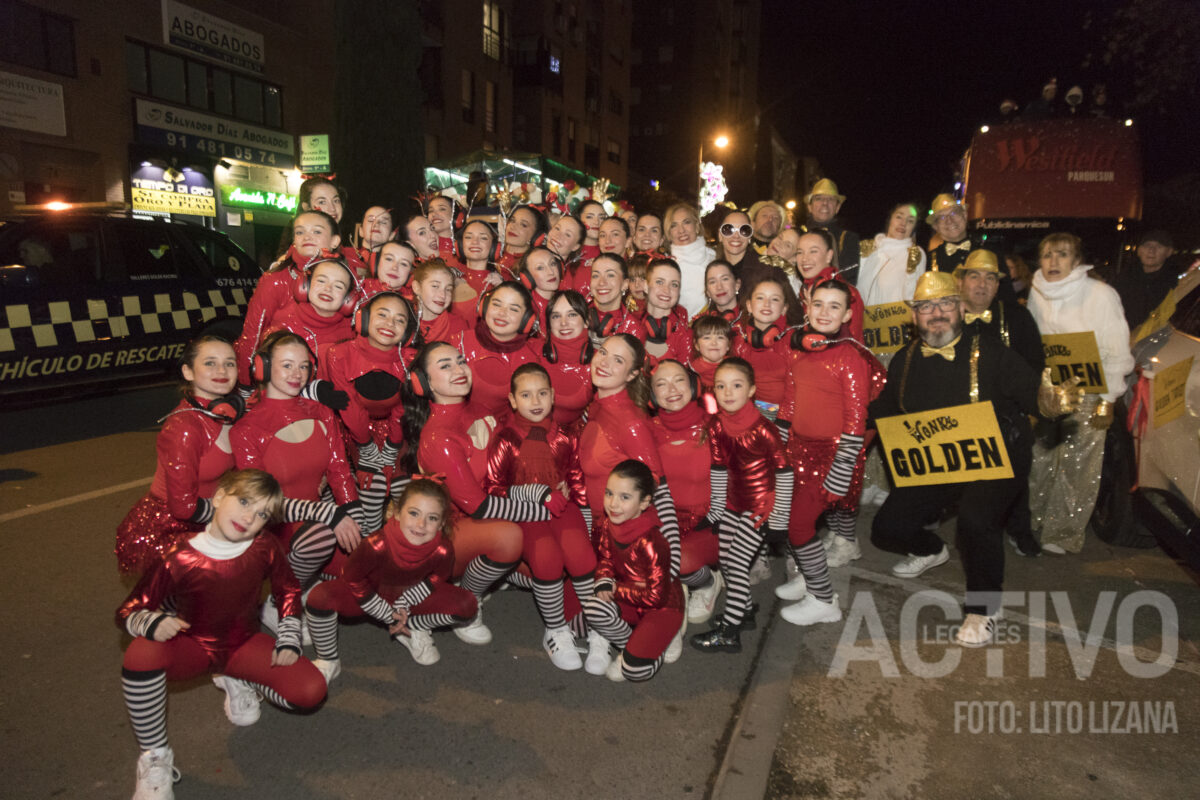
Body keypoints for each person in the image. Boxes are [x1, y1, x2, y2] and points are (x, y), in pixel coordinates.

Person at [868, 271, 1080, 645]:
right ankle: (932, 551)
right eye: (926, 306)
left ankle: (984, 607)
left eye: (945, 304)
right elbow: (885, 408)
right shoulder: (906, 359)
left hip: (997, 457)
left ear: (962, 309)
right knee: (887, 528)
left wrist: (1050, 403)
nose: (937, 313)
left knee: (976, 520)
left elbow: (1033, 393)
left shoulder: (992, 352)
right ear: (914, 316)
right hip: (938, 461)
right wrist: (841, 423)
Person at [118, 469, 325, 800]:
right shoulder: (180, 555)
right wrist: (149, 622)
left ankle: (239, 678)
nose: (249, 517)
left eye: (262, 514)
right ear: (217, 498)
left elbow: (288, 590)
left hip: (243, 644)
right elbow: (128, 610)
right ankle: (155, 756)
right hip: (193, 646)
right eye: (244, 502)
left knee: (311, 690)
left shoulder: (264, 546)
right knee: (141, 654)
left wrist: (288, 634)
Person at [408, 341, 541, 644]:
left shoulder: (479, 409)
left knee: (547, 572)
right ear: (424, 383)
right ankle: (467, 600)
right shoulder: (438, 437)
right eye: (445, 366)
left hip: (491, 516)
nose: (459, 369)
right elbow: (478, 507)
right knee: (510, 539)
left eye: (461, 361)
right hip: (447, 534)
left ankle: (492, 571)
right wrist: (538, 508)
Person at [233, 331, 363, 599]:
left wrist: (354, 518)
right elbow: (261, 502)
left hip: (318, 523)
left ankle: (307, 585)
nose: (297, 374)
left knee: (365, 571)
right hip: (274, 528)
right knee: (321, 539)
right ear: (263, 367)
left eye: (304, 366)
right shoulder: (246, 429)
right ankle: (281, 598)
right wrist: (329, 515)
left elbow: (339, 470)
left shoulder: (321, 412)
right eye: (287, 365)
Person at [1026, 233, 1134, 554]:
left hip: (1088, 391)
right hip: (1049, 390)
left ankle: (1062, 532)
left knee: (1077, 465)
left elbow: (1117, 349)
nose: (1053, 262)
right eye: (1047, 255)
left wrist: (1108, 400)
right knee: (1041, 457)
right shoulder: (1036, 291)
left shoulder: (1101, 295)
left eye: (1062, 254)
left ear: (1076, 261)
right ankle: (1035, 521)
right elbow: (1033, 343)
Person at [485, 364, 595, 671]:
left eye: (542, 393)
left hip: (563, 507)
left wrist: (586, 521)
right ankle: (555, 629)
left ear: (553, 396)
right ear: (512, 400)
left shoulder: (565, 435)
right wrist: (531, 494)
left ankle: (597, 623)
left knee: (582, 555)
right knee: (547, 558)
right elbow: (493, 489)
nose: (535, 401)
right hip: (525, 514)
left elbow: (576, 479)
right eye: (526, 395)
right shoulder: (506, 438)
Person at [304, 477, 478, 672]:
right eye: (414, 513)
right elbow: (353, 578)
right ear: (396, 513)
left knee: (467, 604)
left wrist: (406, 602)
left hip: (410, 598)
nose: (421, 524)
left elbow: (438, 577)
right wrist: (387, 614)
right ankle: (328, 660)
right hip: (368, 596)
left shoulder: (443, 549)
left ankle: (412, 625)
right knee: (320, 597)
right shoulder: (376, 545)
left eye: (432, 518)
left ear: (441, 524)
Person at [778, 280, 886, 592]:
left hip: (831, 455)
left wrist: (841, 469)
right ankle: (808, 575)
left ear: (847, 315)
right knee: (794, 519)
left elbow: (856, 418)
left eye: (834, 306)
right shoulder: (798, 351)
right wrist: (777, 446)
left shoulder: (850, 357)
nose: (824, 312)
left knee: (799, 524)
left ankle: (820, 594)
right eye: (818, 304)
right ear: (807, 308)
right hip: (798, 451)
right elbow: (790, 402)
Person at [115, 336, 241, 574]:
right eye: (210, 363)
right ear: (188, 372)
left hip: (209, 519)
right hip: (173, 528)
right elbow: (184, 507)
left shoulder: (227, 413)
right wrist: (236, 513)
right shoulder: (185, 426)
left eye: (230, 363)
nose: (222, 370)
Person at [690, 358, 792, 652]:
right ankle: (743, 612)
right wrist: (716, 511)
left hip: (760, 508)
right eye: (721, 386)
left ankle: (729, 633)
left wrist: (779, 519)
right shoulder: (717, 425)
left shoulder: (763, 429)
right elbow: (719, 468)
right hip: (733, 505)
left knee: (736, 565)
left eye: (736, 385)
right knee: (726, 562)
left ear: (751, 390)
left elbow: (785, 472)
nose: (728, 392)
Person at [957, 249, 1045, 556]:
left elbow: (1035, 364)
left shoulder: (1017, 317)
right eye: (974, 276)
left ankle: (1019, 529)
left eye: (990, 278)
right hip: (958, 413)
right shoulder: (945, 315)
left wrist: (1031, 409)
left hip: (1004, 415)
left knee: (1014, 476)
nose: (982, 284)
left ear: (997, 285)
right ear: (961, 281)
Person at [319, 292, 418, 532]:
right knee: (373, 482)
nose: (390, 324)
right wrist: (366, 447)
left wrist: (392, 447)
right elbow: (350, 407)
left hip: (396, 429)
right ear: (363, 319)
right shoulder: (338, 354)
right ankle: (369, 538)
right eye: (382, 315)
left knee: (403, 485)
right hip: (353, 430)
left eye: (400, 320)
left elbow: (402, 408)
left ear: (407, 331)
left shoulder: (410, 358)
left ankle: (400, 541)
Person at [581, 460, 686, 682]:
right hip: (630, 596)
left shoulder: (651, 541)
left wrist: (615, 589)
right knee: (594, 609)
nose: (613, 504)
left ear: (644, 502)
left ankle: (663, 638)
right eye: (609, 493)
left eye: (625, 497)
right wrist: (603, 579)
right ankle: (633, 645)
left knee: (634, 672)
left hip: (662, 607)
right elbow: (606, 558)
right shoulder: (609, 524)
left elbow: (656, 597)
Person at [650, 360, 723, 624]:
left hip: (710, 521)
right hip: (665, 519)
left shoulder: (715, 427)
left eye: (679, 380)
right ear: (652, 394)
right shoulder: (647, 430)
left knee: (680, 563)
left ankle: (708, 582)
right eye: (661, 384)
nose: (671, 389)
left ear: (693, 386)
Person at [234, 210, 342, 388]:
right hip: (286, 381)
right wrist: (246, 383)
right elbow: (252, 333)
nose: (307, 236)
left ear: (335, 241)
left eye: (316, 231)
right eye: (300, 232)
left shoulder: (348, 278)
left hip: (332, 383)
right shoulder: (276, 279)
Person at [454, 281, 542, 419]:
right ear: (484, 307)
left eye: (513, 309)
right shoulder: (458, 343)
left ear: (527, 320)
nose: (502, 313)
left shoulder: (529, 362)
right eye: (496, 304)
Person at [262, 255, 359, 364]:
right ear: (306, 284)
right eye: (321, 281)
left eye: (338, 286)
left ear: (349, 298)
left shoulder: (353, 333)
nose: (328, 289)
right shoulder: (282, 323)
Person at [732, 275, 800, 419]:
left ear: (784, 308)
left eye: (775, 299)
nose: (767, 304)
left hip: (785, 416)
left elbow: (795, 389)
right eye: (760, 298)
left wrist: (783, 420)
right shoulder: (739, 339)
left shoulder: (793, 341)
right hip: (747, 411)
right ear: (749, 306)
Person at [793, 230, 865, 342]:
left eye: (813, 251)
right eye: (799, 252)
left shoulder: (846, 293)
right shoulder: (804, 290)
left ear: (829, 256)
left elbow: (850, 342)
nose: (804, 259)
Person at [539, 290, 595, 430]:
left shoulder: (599, 363)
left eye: (572, 314)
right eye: (556, 316)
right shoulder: (534, 352)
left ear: (586, 321)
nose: (563, 323)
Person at [858, 203, 927, 306]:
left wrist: (911, 272)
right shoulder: (869, 248)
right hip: (863, 315)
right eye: (899, 217)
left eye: (910, 221)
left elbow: (914, 299)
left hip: (896, 315)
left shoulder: (915, 253)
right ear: (890, 219)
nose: (903, 223)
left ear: (914, 228)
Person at [1111, 230, 1179, 331]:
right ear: (1139, 251)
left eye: (1159, 246)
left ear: (1169, 252)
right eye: (1147, 245)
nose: (1151, 250)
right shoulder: (1123, 278)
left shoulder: (1174, 284)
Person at [801, 179, 860, 285]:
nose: (825, 203)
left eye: (831, 199)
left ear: (837, 207)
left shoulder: (848, 238)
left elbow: (849, 277)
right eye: (819, 199)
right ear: (810, 207)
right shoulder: (798, 234)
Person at [666, 203, 716, 316]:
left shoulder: (715, 258)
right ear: (669, 233)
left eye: (686, 222)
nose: (681, 230)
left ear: (697, 226)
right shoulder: (666, 266)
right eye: (674, 225)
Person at [641, 258, 692, 365]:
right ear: (645, 286)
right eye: (659, 282)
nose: (666, 290)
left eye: (674, 285)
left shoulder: (685, 335)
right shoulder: (631, 325)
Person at [451, 219, 502, 321]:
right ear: (460, 245)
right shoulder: (449, 278)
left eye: (483, 238)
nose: (475, 242)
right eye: (468, 237)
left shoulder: (501, 284)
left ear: (494, 247)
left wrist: (501, 289)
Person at [411, 258, 468, 344]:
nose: (443, 295)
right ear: (417, 287)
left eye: (448, 289)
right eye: (435, 286)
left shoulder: (457, 325)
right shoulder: (404, 320)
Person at [587, 253, 642, 338]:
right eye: (595, 276)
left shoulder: (634, 329)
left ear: (624, 284)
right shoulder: (577, 315)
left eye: (610, 275)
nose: (601, 282)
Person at [716, 209, 770, 294]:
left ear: (750, 237)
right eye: (728, 229)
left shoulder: (766, 271)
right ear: (720, 235)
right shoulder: (711, 269)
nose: (736, 236)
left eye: (744, 230)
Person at [516, 245, 563, 322]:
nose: (551, 272)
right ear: (527, 277)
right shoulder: (525, 310)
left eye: (552, 264)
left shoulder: (566, 301)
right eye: (540, 268)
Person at [499, 205, 548, 278]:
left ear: (536, 236)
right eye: (512, 220)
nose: (513, 226)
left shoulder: (531, 267)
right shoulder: (492, 252)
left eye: (523, 225)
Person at [689, 315, 733, 393]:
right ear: (696, 345)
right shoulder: (692, 371)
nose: (714, 343)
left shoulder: (735, 367)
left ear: (728, 345)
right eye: (707, 338)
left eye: (720, 337)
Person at [547, 214, 588, 296]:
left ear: (575, 246)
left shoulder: (576, 277)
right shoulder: (529, 260)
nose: (558, 235)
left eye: (567, 234)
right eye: (557, 228)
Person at [355, 206, 395, 279]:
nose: (376, 224)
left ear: (391, 235)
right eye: (371, 220)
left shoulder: (396, 266)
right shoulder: (345, 257)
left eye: (383, 222)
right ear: (361, 231)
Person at [425, 194, 460, 265]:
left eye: (442, 209)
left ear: (456, 216)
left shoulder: (467, 249)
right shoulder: (422, 249)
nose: (434, 214)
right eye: (431, 211)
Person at [576, 200, 607, 268]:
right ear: (579, 220)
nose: (596, 222)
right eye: (589, 217)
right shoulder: (568, 249)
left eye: (601, 218)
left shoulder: (610, 251)